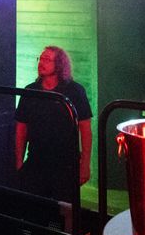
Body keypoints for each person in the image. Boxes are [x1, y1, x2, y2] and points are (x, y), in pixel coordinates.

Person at [16, 46, 92, 206]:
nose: (41, 63)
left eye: (47, 60)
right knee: (33, 210)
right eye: (40, 59)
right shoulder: (30, 90)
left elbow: (85, 129)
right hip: (36, 161)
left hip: (65, 165)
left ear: (59, 65)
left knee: (64, 213)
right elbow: (21, 128)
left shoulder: (75, 91)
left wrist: (85, 165)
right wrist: (19, 162)